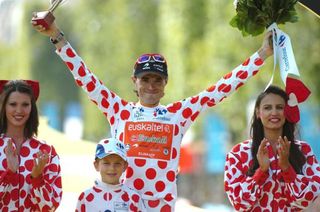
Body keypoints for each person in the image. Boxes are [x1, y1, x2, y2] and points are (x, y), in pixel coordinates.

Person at [32, 16, 273, 211]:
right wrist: (55, 35)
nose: (151, 85)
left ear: (165, 83)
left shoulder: (179, 113)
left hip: (165, 207)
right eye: (145, 79)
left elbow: (223, 87)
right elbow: (85, 77)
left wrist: (262, 54)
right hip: (124, 204)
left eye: (157, 79)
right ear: (134, 82)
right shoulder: (118, 110)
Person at [224, 85, 320, 211]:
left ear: (287, 112)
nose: (274, 112)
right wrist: (261, 171)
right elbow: (239, 202)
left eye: (279, 107)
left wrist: (286, 168)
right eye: (267, 108)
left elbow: (307, 199)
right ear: (258, 112)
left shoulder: (304, 151)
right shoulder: (238, 153)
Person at [0, 80, 62, 211]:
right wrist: (9, 173)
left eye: (25, 105)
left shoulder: (46, 151)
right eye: (12, 104)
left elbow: (49, 207)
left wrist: (37, 178)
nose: (19, 110)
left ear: (32, 108)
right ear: (3, 106)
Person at [76, 137, 146, 212]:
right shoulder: (85, 197)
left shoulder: (133, 198)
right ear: (96, 165)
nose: (112, 168)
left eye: (117, 163)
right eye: (106, 163)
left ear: (125, 166)